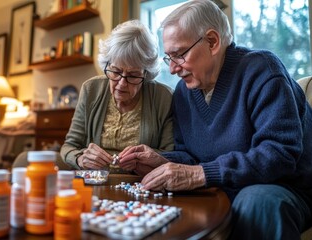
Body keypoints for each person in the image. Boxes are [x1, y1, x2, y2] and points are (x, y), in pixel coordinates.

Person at [119, 1, 312, 239]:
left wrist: (199, 174)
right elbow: (191, 156)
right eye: (168, 57)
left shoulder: (262, 70)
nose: (172, 69)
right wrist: (160, 160)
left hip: (283, 189)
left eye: (179, 55)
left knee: (257, 201)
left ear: (212, 42)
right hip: (223, 188)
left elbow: (279, 154)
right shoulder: (183, 92)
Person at [60, 20, 174, 176]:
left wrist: (144, 159)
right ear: (107, 65)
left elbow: (171, 154)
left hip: (142, 185)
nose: (121, 83)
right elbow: (68, 147)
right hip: (95, 182)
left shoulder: (163, 98)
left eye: (133, 75)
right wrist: (81, 159)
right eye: (115, 71)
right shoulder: (91, 90)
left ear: (146, 74)